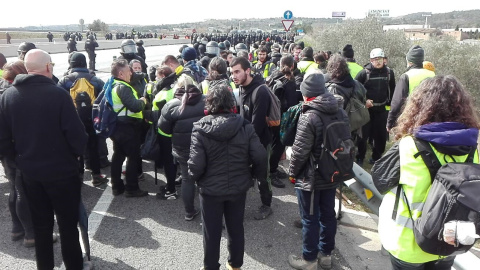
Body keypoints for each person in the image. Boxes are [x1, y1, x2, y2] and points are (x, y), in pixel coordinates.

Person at [377, 75, 480, 270]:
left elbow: (379, 180)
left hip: (408, 244)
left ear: (419, 106)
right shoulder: (472, 150)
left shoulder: (407, 145)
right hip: (448, 241)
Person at [0, 49, 88, 269]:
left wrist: (18, 161)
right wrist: (75, 157)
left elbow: (3, 139)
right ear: (48, 67)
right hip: (62, 173)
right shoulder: (58, 95)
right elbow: (78, 138)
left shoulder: (8, 95)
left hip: (29, 173)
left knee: (41, 228)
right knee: (68, 228)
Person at [189, 85, 267, 270]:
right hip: (238, 187)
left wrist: (196, 179)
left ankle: (210, 266)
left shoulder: (200, 129)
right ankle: (235, 265)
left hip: (210, 189)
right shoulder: (245, 126)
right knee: (236, 227)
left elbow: (196, 164)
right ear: (232, 103)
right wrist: (255, 176)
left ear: (210, 103)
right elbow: (260, 156)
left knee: (211, 231)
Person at [288, 72, 347, 270]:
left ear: (308, 94)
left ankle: (309, 259)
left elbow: (299, 152)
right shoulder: (340, 111)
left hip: (311, 177)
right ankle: (326, 255)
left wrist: (292, 173)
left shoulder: (309, 116)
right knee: (328, 215)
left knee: (310, 218)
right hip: (333, 172)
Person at [230, 56, 273, 220]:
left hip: (260, 142)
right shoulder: (241, 87)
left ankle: (266, 205)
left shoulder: (260, 91)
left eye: (237, 72)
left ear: (248, 71)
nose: (234, 76)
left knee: (263, 177)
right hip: (245, 139)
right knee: (242, 174)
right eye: (232, 72)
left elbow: (257, 125)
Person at [158, 74, 206, 221]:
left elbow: (163, 129)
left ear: (177, 87)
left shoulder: (171, 105)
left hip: (182, 149)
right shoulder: (205, 100)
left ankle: (189, 212)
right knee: (207, 178)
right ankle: (210, 212)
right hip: (204, 146)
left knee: (187, 179)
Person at [57, 52, 109, 187]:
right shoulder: (94, 79)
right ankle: (96, 176)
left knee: (75, 148)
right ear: (85, 63)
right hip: (91, 118)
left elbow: (58, 100)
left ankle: (78, 177)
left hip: (72, 119)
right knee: (93, 146)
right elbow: (105, 96)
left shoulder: (65, 80)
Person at [0, 60, 37, 248]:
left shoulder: (3, 89)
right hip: (16, 148)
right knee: (23, 190)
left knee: (14, 187)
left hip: (5, 149)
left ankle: (17, 227)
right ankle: (30, 233)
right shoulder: (13, 93)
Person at [109, 59, 148, 197]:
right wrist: (142, 101)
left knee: (118, 155)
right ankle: (131, 188)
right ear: (121, 73)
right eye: (128, 71)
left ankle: (116, 186)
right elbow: (135, 106)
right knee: (132, 157)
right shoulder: (123, 87)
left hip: (119, 126)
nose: (131, 73)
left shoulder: (114, 84)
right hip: (127, 126)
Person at [355, 48, 396, 166]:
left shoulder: (389, 73)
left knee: (381, 137)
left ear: (384, 60)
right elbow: (354, 90)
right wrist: (364, 101)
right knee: (363, 136)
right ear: (370, 60)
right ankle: (360, 157)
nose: (377, 62)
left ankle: (376, 157)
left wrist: (392, 106)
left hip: (382, 109)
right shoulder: (364, 73)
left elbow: (393, 90)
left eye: (380, 59)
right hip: (366, 110)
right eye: (374, 59)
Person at [266, 55, 299, 188]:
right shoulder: (289, 81)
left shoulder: (273, 76)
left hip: (271, 115)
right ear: (292, 66)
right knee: (279, 145)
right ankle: (271, 172)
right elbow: (291, 104)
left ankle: (272, 169)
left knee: (273, 144)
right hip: (282, 118)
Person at [386, 45, 435, 131]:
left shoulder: (406, 76)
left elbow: (397, 102)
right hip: (430, 118)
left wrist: (390, 122)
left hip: (411, 119)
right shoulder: (433, 75)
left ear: (409, 61)